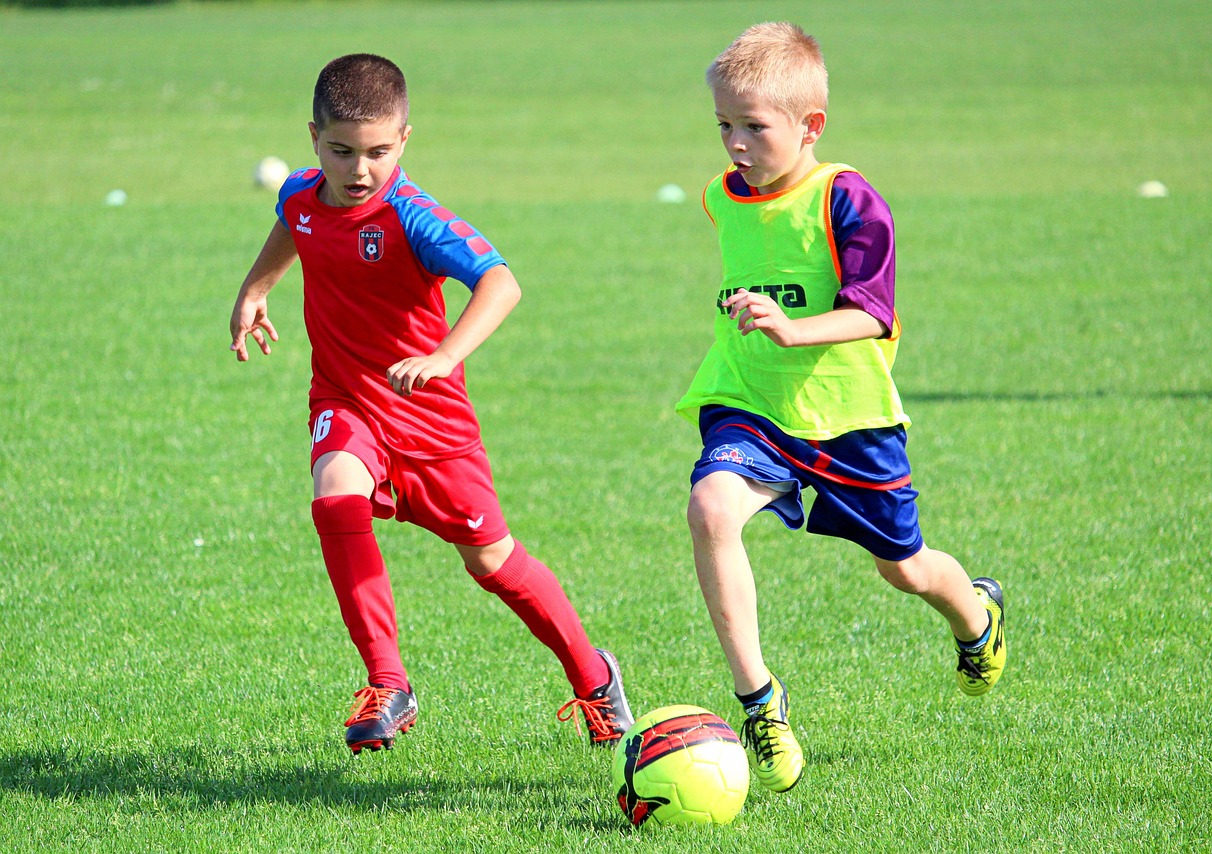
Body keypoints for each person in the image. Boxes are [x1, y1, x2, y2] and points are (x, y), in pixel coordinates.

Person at [228, 53, 632, 754]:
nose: (360, 169)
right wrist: (255, 290)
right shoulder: (300, 193)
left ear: (405, 140)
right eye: (341, 151)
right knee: (336, 496)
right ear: (314, 138)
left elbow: (500, 282)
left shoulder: (414, 216)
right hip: (347, 399)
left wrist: (444, 357)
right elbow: (294, 223)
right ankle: (388, 683)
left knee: (492, 563)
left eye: (378, 152)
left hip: (430, 423)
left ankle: (594, 678)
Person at [675, 23, 1007, 793]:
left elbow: (872, 312)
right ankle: (761, 703)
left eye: (754, 127)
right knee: (711, 509)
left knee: (906, 569)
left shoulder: (848, 199)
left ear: (810, 126)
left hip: (848, 417)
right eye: (723, 125)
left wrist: (793, 328)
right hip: (749, 402)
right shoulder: (721, 196)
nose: (735, 145)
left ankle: (976, 617)